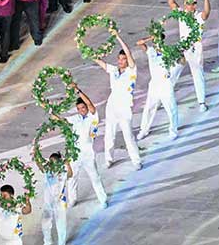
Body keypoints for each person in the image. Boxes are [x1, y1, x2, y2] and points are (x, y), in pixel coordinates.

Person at [94, 26, 141, 168]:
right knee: (109, 134)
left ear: (127, 60)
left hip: (125, 108)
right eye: (119, 58)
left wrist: (117, 37)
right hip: (112, 106)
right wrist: (87, 52)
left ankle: (136, 161)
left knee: (128, 136)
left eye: (123, 59)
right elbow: (101, 63)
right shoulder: (114, 70)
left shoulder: (132, 71)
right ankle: (108, 159)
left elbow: (128, 52)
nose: (121, 61)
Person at [60, 85, 108, 208]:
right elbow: (62, 121)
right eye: (78, 108)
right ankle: (73, 199)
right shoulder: (75, 118)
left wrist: (78, 90)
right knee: (72, 177)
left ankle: (103, 200)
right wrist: (50, 111)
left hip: (88, 153)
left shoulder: (93, 117)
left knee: (94, 177)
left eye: (82, 107)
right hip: (74, 153)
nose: (81, 110)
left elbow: (90, 103)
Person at [136, 30, 179, 140]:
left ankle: (173, 131)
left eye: (157, 40)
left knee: (171, 108)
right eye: (154, 41)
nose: (155, 43)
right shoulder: (151, 51)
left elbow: (181, 61)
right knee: (149, 108)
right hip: (154, 84)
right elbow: (139, 43)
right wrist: (151, 37)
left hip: (165, 83)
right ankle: (144, 130)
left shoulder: (168, 52)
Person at [34, 151, 72, 245]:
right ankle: (47, 242)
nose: (50, 163)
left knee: (61, 224)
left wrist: (68, 164)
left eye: (53, 161)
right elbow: (39, 166)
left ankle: (61, 242)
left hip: (60, 203)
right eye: (50, 161)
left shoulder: (62, 173)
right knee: (45, 224)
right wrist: (35, 154)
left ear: (58, 162)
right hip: (48, 203)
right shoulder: (48, 171)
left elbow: (70, 175)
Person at [0, 178, 31, 245]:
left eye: (5, 195)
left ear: (11, 195)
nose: (2, 197)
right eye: (1, 195)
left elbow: (27, 210)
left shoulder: (17, 206)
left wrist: (27, 201)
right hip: (1, 241)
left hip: (15, 241)